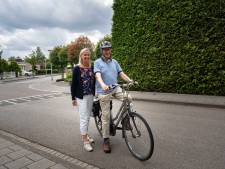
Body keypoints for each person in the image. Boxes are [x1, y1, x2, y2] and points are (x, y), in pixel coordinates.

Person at [94, 41, 134, 153]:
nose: (107, 51)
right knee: (106, 117)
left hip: (115, 88)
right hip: (104, 91)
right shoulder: (97, 62)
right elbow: (97, 75)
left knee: (129, 98)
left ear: (110, 50)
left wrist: (130, 80)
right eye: (104, 49)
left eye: (108, 49)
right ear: (101, 51)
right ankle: (106, 139)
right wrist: (102, 84)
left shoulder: (114, 62)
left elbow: (121, 73)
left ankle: (125, 121)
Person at [71, 48, 95, 152]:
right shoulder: (77, 68)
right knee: (84, 118)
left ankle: (85, 135)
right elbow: (73, 84)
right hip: (81, 97)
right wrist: (73, 98)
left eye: (88, 55)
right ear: (81, 56)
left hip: (90, 95)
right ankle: (85, 141)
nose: (87, 57)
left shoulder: (92, 67)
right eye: (84, 55)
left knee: (88, 117)